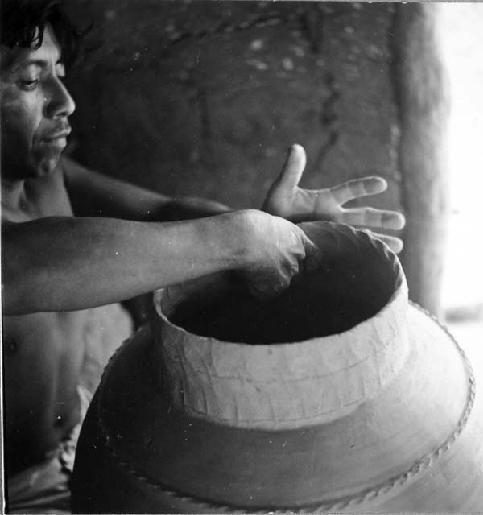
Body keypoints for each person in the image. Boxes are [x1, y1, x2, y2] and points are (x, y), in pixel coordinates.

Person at [0, 1, 405, 512]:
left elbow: (162, 212)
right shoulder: (12, 255)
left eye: (60, 73)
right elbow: (15, 265)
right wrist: (239, 239)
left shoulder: (48, 179)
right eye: (31, 82)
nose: (67, 102)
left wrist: (265, 227)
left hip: (72, 448)